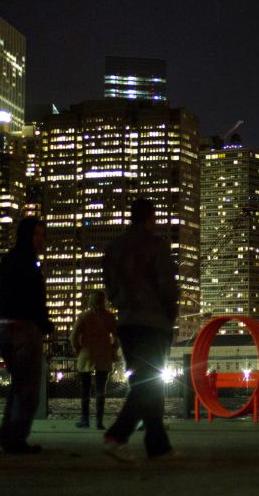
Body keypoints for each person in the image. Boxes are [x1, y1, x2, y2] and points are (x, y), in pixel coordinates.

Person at [102, 198, 180, 462]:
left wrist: (121, 303)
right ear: (151, 218)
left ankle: (158, 446)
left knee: (145, 382)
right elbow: (167, 286)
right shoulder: (156, 245)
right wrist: (170, 316)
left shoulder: (114, 248)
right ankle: (117, 436)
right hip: (153, 323)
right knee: (147, 385)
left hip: (127, 322)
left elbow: (110, 286)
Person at [0, 216, 53, 454]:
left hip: (4, 326)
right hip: (24, 327)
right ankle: (15, 438)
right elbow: (33, 297)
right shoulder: (28, 263)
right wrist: (44, 322)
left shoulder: (9, 259)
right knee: (29, 388)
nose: (41, 240)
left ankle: (8, 432)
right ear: (28, 235)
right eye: (37, 234)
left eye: (42, 235)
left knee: (18, 384)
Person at [70, 290, 118, 429]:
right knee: (101, 390)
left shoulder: (84, 316)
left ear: (90, 301)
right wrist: (113, 350)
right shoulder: (110, 317)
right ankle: (99, 421)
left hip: (86, 354)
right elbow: (117, 337)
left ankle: (85, 420)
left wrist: (78, 350)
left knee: (85, 390)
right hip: (103, 355)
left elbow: (73, 337)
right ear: (104, 301)